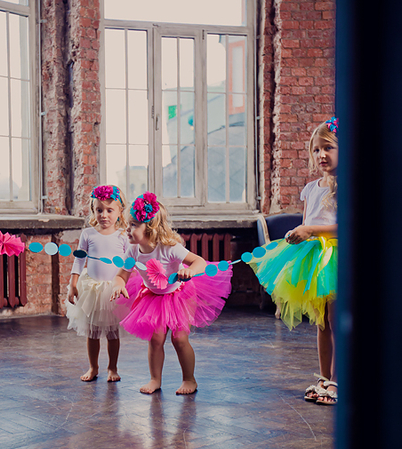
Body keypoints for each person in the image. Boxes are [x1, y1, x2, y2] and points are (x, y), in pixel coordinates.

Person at [249, 117, 339, 405]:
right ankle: (324, 377)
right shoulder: (311, 188)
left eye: (329, 148)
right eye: (316, 149)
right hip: (314, 259)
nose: (321, 154)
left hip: (337, 258)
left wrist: (311, 230)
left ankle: (338, 381)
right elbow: (307, 221)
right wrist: (299, 233)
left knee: (336, 321)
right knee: (322, 322)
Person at [111, 192, 232, 395]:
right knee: (155, 339)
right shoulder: (132, 251)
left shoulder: (169, 248)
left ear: (149, 228)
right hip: (153, 296)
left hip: (179, 295)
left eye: (133, 225)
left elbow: (199, 262)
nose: (127, 229)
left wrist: (190, 271)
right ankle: (155, 379)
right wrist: (118, 284)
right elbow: (121, 275)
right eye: (128, 224)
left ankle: (189, 379)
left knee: (179, 339)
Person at [66, 185, 129, 382]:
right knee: (92, 332)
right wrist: (73, 283)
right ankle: (93, 367)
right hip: (91, 289)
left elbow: (129, 264)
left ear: (119, 211)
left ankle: (112, 368)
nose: (104, 215)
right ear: (93, 211)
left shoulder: (123, 235)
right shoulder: (88, 234)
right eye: (99, 210)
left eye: (109, 210)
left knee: (112, 332)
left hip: (113, 290)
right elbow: (79, 259)